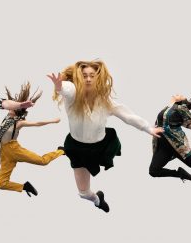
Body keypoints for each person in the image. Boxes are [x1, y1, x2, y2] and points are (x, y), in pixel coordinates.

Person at [47, 60, 162, 213]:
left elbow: (127, 116)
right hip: (77, 147)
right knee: (83, 194)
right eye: (84, 76)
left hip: (99, 146)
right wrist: (59, 86)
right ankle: (97, 199)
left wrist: (148, 128)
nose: (88, 79)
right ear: (79, 78)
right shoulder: (73, 95)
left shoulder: (105, 101)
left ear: (97, 78)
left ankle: (70, 154)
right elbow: (67, 89)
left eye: (91, 76)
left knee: (100, 155)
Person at [0, 82, 64, 197]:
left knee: (42, 161)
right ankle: (25, 187)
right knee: (1, 184)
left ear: (16, 111)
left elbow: (37, 123)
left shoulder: (18, 122)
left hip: (14, 149)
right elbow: (2, 103)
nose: (10, 108)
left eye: (13, 108)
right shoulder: (6, 118)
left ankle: (61, 151)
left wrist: (52, 121)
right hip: (5, 153)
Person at [149, 94, 191, 182]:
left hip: (176, 145)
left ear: (181, 101)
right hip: (163, 145)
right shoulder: (167, 108)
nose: (178, 94)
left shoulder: (180, 107)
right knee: (153, 171)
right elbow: (183, 123)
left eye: (181, 96)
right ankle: (180, 173)